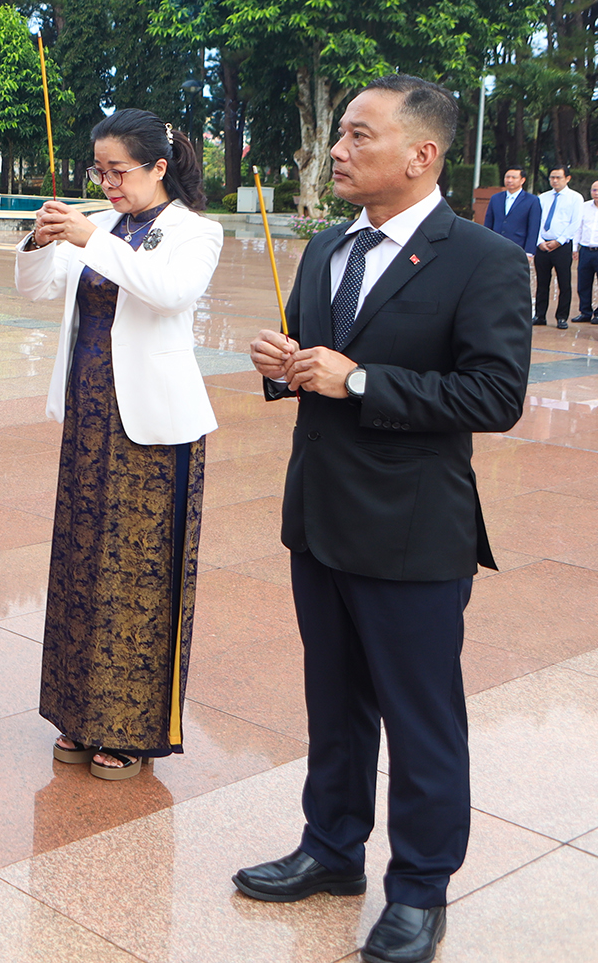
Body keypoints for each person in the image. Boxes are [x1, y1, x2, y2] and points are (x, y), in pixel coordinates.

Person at [236, 76, 530, 963]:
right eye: (339, 134)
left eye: (359, 135)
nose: (338, 149)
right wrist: (282, 363)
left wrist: (359, 378)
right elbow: (313, 364)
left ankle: (420, 888)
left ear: (421, 154)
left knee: (421, 714)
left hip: (411, 530)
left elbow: (496, 392)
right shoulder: (329, 246)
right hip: (319, 516)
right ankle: (331, 848)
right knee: (334, 701)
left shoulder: (478, 257)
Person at [14, 109, 224, 779]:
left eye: (117, 171)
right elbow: (38, 287)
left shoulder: (196, 232)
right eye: (96, 171)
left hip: (153, 431)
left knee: (138, 577)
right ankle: (79, 713)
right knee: (81, 566)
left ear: (158, 167)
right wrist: (43, 240)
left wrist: (90, 239)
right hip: (88, 419)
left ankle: (131, 729)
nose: (105, 183)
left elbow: (167, 292)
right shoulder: (99, 226)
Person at [533, 166, 577, 328]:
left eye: (558, 177)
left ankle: (562, 317)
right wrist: (539, 242)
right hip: (543, 245)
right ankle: (540, 315)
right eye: (552, 177)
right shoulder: (542, 198)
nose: (555, 180)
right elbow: (535, 221)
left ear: (567, 178)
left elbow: (575, 223)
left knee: (564, 283)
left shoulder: (575, 198)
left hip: (562, 245)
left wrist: (559, 241)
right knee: (542, 282)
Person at [483, 167, 538, 257]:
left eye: (513, 177)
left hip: (518, 246)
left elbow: (533, 227)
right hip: (495, 245)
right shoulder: (495, 198)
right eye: (507, 177)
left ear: (522, 180)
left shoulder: (532, 200)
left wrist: (529, 252)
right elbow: (488, 223)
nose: (509, 180)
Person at [574, 178, 598, 323]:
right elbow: (578, 228)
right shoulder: (584, 207)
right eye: (594, 190)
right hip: (585, 250)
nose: (596, 193)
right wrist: (575, 248)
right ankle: (585, 312)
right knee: (583, 282)